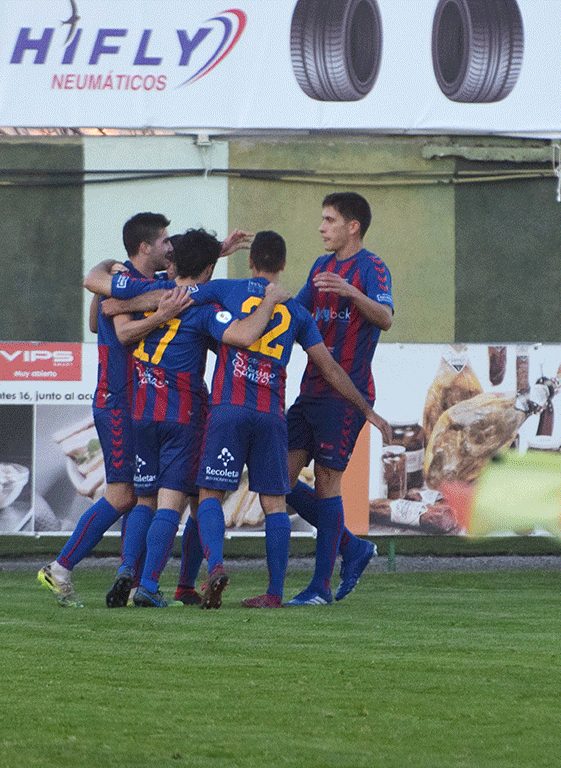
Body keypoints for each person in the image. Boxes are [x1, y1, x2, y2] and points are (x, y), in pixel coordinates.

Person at [192, 230, 391, 609]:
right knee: (275, 501)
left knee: (209, 495)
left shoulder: (228, 289)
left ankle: (215, 567)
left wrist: (213, 256)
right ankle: (274, 593)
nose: (321, 227)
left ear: (251, 262)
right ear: (283, 266)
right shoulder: (297, 311)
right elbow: (330, 367)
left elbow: (187, 290)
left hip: (229, 409)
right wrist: (366, 409)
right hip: (272, 414)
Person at [114, 228, 287, 607]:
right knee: (177, 501)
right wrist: (270, 300)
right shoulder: (207, 311)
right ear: (210, 267)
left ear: (173, 260)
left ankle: (126, 569)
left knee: (144, 499)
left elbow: (105, 304)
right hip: (182, 412)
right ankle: (151, 585)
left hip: (142, 409)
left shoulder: (153, 293)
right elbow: (241, 336)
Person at [38, 212, 184, 608]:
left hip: (128, 403)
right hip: (117, 401)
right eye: (165, 241)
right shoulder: (121, 284)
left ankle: (129, 578)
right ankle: (60, 567)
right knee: (122, 495)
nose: (169, 247)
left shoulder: (121, 282)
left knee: (136, 493)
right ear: (145, 246)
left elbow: (92, 319)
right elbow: (122, 330)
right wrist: (162, 313)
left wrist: (105, 273)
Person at [284, 192, 393, 606]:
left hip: (345, 396)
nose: (321, 227)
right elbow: (295, 314)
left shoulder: (373, 268)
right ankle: (353, 547)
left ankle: (319, 588)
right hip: (310, 390)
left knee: (329, 484)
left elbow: (385, 317)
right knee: (277, 480)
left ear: (353, 227)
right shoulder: (319, 266)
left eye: (329, 220)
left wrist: (351, 292)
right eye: (322, 218)